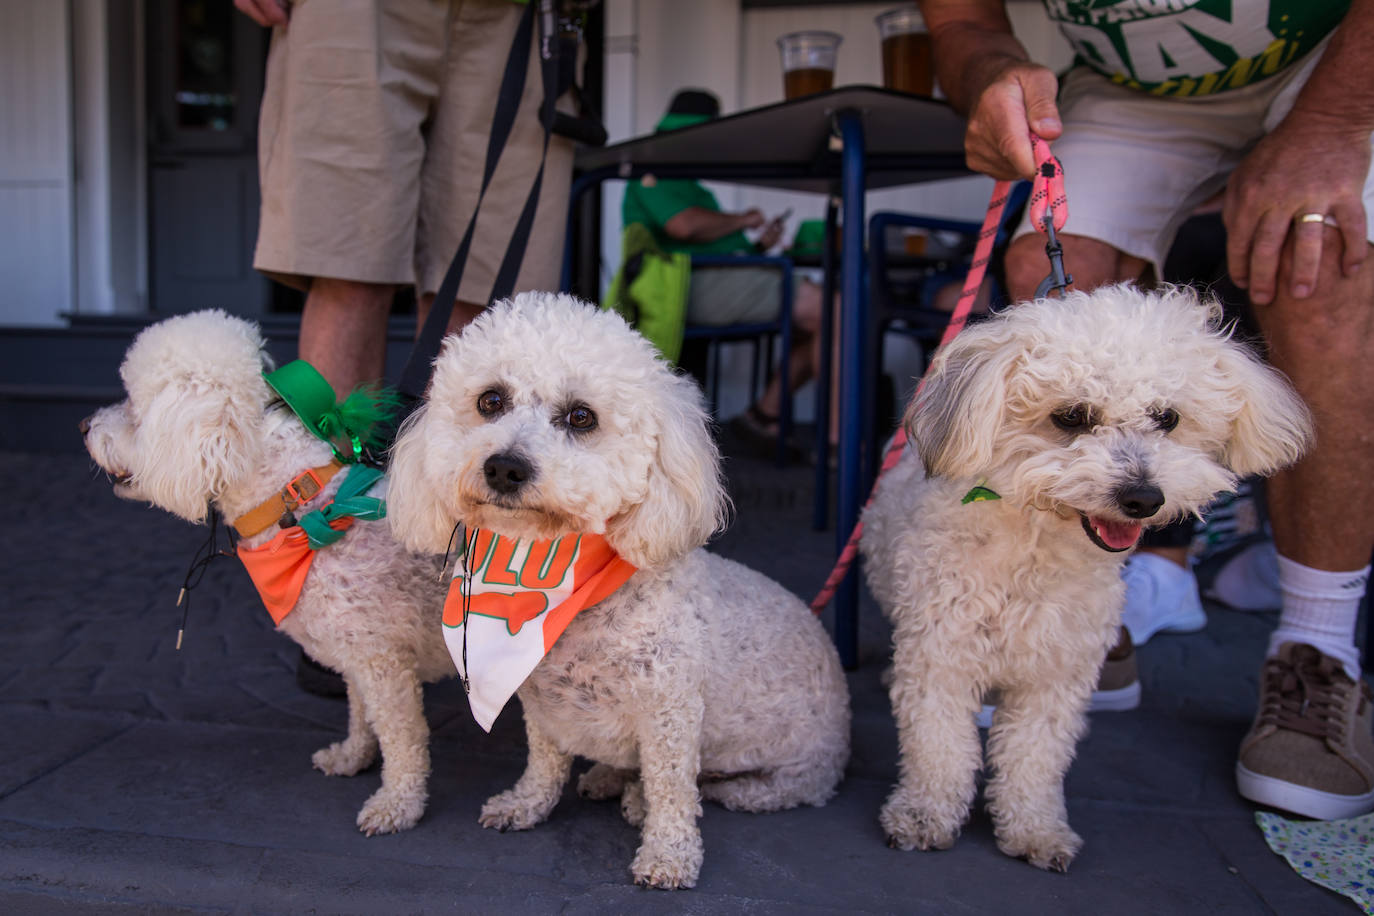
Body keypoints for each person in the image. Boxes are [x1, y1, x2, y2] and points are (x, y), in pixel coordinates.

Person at [917, 0, 1374, 819]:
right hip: (1134, 88)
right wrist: (986, 70)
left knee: (1317, 260)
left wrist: (1336, 119)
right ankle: (1077, 621)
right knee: (1053, 263)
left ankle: (1318, 649)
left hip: (1341, 60)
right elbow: (962, 24)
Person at [234, 0, 577, 398]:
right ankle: (331, 461)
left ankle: (443, 460)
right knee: (347, 261)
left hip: (524, 16)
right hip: (360, 12)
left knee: (486, 293)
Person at [622, 89, 834, 447]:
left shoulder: (691, 184)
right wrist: (743, 218)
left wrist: (759, 245)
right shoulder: (651, 170)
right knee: (831, 309)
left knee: (824, 320)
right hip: (678, 288)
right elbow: (683, 227)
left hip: (712, 277)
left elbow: (711, 245)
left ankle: (763, 415)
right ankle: (836, 446)